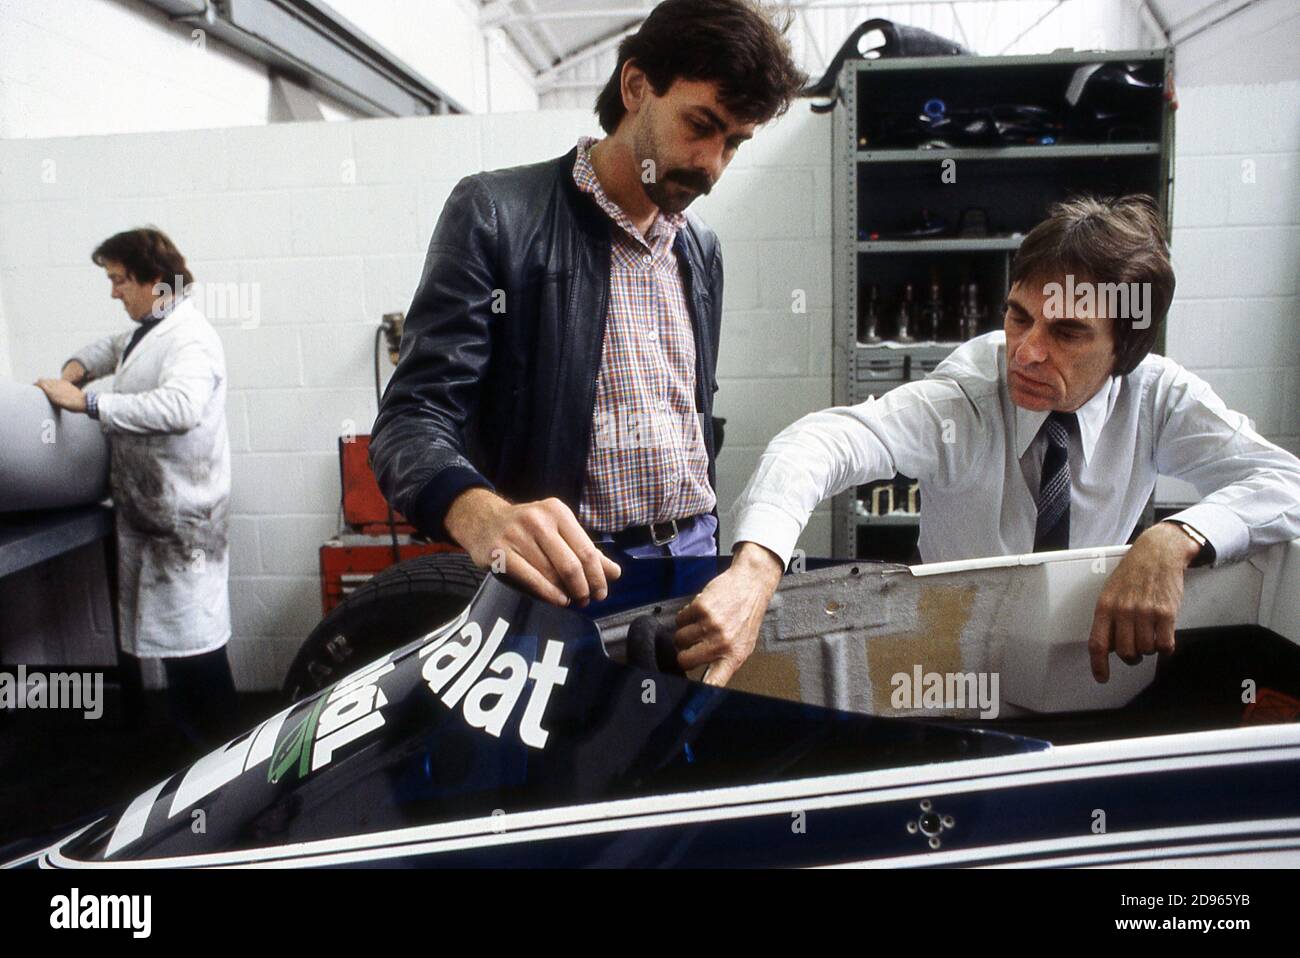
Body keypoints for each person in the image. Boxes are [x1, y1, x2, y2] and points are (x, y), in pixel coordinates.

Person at [676, 195, 1300, 686]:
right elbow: (819, 444)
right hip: (952, 670)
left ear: (1127, 348)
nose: (1026, 352)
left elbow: (1285, 484)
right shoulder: (967, 399)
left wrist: (1176, 536)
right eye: (1018, 315)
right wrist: (755, 572)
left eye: (1067, 332)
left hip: (1095, 671)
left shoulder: (1157, 396)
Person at [369, 0, 807, 608]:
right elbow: (411, 420)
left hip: (696, 556)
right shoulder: (498, 214)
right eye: (700, 125)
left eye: (734, 143)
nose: (712, 164)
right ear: (635, 85)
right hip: (569, 572)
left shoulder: (700, 247)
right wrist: (482, 515)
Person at [34, 227, 234, 746]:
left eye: (119, 280)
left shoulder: (188, 337)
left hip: (182, 521)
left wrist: (90, 403)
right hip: (160, 517)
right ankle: (201, 758)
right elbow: (115, 347)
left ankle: (222, 765)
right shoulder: (154, 326)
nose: (113, 291)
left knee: (196, 648)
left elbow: (181, 407)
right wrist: (79, 368)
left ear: (152, 280)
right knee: (178, 644)